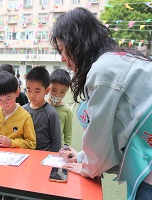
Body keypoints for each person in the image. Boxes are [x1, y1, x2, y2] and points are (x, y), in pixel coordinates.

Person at [51, 7, 152, 200]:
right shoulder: (120, 59)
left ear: (77, 42)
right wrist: (82, 157)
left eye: (63, 49)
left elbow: (101, 136)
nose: (63, 58)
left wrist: (87, 166)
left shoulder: (102, 70)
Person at [0, 71, 36, 200]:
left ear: (17, 93)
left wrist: (12, 143)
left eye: (8, 98)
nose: (4, 103)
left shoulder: (25, 117)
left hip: (14, 168)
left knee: (10, 196)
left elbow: (31, 143)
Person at [23, 66, 61, 152]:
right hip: (25, 156)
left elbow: (56, 142)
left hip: (43, 158)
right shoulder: (22, 110)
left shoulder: (51, 113)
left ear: (47, 90)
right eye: (29, 90)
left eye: (37, 91)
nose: (32, 95)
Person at [47, 69, 73, 146]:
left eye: (62, 92)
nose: (57, 95)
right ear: (48, 86)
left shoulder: (67, 111)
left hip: (57, 149)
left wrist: (66, 149)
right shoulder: (41, 105)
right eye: (54, 90)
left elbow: (68, 135)